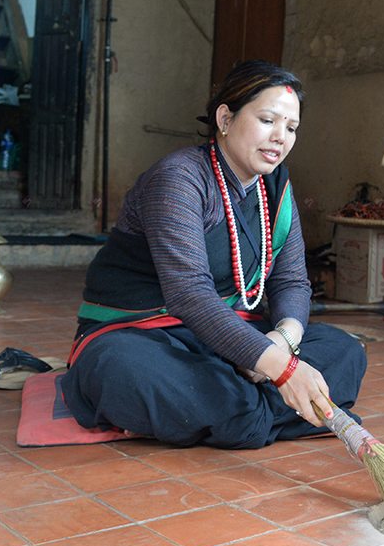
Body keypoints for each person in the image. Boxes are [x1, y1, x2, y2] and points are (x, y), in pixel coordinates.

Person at [60, 61, 366, 448]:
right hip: (137, 333)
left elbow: (290, 280)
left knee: (345, 351)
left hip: (224, 335)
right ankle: (271, 416)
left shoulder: (276, 190)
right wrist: (283, 371)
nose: (280, 138)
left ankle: (232, 415)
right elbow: (189, 294)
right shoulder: (179, 178)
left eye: (291, 128)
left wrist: (282, 342)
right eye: (267, 120)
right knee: (122, 371)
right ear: (225, 117)